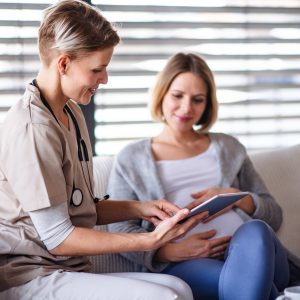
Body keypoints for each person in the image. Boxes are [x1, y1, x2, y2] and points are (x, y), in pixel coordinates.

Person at [0, 2, 203, 299]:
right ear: (64, 64)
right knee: (167, 297)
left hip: (66, 269)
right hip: (30, 275)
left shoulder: (70, 110)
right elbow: (57, 238)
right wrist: (150, 240)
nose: (104, 79)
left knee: (178, 288)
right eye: (97, 69)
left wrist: (142, 207)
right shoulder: (33, 128)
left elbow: (78, 207)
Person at [107, 52, 291, 300]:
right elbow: (119, 229)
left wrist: (237, 197)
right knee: (251, 284)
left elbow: (274, 215)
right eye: (178, 96)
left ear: (207, 104)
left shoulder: (229, 148)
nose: (186, 108)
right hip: (185, 263)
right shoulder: (131, 158)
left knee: (257, 231)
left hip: (253, 250)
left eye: (197, 99)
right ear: (162, 93)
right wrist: (171, 251)